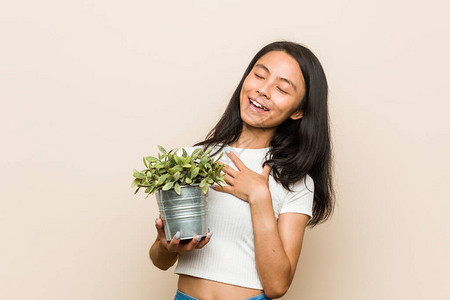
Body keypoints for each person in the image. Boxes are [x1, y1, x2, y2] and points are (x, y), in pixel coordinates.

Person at [150, 41, 335, 300]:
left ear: (298, 111)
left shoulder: (295, 181)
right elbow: (160, 260)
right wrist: (166, 246)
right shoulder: (190, 160)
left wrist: (260, 196)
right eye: (259, 75)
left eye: (282, 88)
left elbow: (277, 286)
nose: (263, 90)